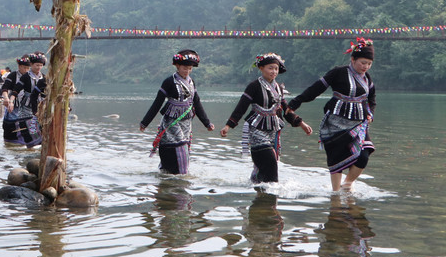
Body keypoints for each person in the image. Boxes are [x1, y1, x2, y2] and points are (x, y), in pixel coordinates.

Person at [287, 38, 377, 192]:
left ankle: (347, 185)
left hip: (359, 123)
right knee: (336, 157)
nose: (365, 67)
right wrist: (295, 102)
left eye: (369, 64)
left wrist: (370, 114)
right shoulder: (339, 72)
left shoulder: (367, 78)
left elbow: (371, 100)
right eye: (362, 62)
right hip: (336, 122)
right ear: (353, 59)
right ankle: (336, 194)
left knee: (364, 155)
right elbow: (316, 89)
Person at [220, 53, 312, 183]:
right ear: (261, 68)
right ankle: (270, 194)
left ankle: (261, 191)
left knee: (268, 165)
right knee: (270, 162)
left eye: (276, 68)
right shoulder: (254, 86)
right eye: (270, 68)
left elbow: (285, 109)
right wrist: (228, 125)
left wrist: (301, 123)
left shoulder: (278, 88)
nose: (274, 71)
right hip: (257, 130)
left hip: (273, 130)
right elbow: (242, 106)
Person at [139, 49, 215, 174]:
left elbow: (196, 102)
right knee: (180, 146)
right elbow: (157, 103)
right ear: (177, 66)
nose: (187, 71)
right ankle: (182, 175)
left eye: (190, 68)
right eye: (185, 68)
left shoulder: (191, 82)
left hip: (186, 121)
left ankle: (176, 173)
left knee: (185, 144)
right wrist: (145, 123)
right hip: (171, 121)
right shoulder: (169, 81)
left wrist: (207, 123)